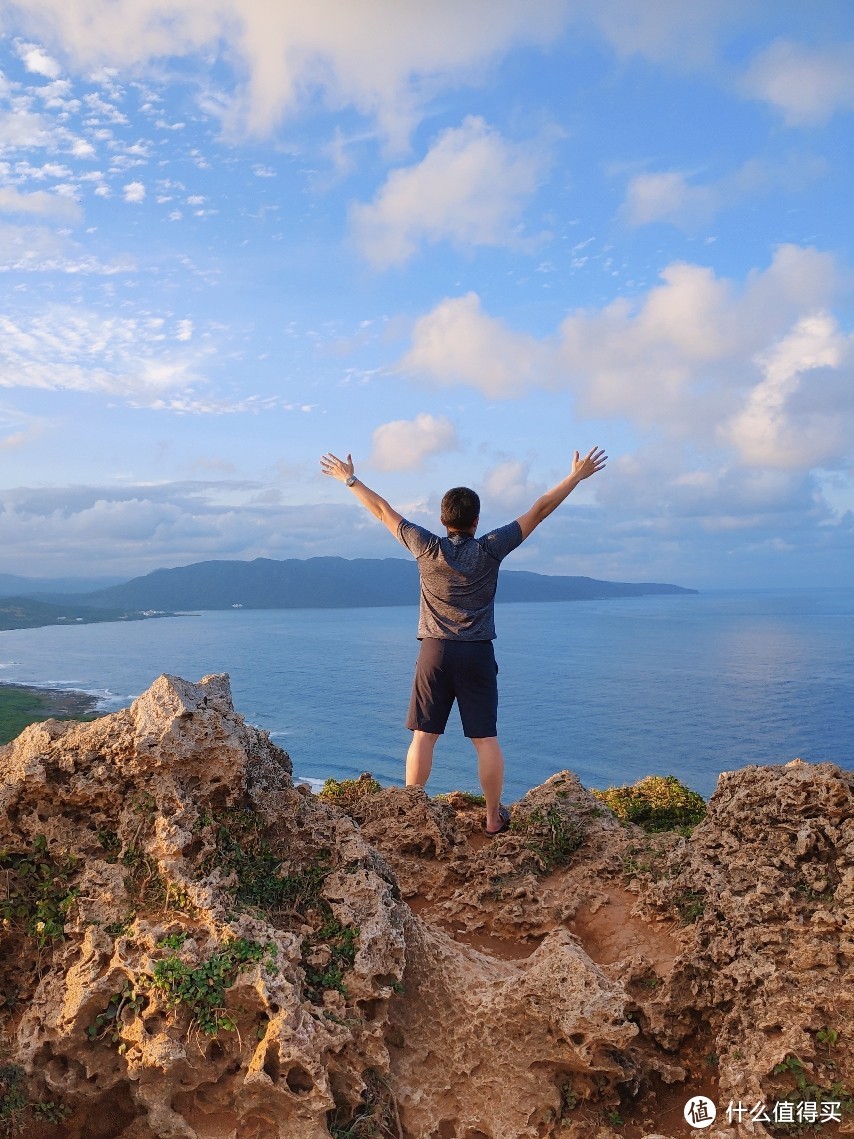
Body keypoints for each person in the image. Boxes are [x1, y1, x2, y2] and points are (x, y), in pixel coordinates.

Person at [319, 446, 607, 835]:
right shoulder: (490, 548)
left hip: (434, 652)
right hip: (476, 653)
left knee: (424, 736)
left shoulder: (427, 547)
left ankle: (411, 815)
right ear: (476, 520)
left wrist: (349, 479)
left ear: (442, 519)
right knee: (485, 739)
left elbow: (383, 511)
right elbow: (539, 510)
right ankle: (492, 818)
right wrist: (575, 477)